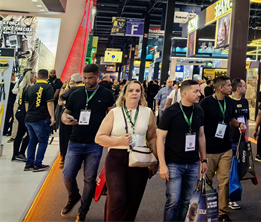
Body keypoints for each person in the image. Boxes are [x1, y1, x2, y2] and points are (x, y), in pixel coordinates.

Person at [95, 80, 158, 221]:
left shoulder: (148, 112)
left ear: (141, 94)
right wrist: (119, 141)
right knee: (117, 198)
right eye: (131, 90)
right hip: (116, 158)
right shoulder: (115, 113)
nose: (134, 93)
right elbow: (99, 138)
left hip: (139, 160)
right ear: (124, 94)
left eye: (138, 91)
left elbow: (152, 138)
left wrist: (156, 160)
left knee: (132, 201)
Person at [61, 64, 115, 222]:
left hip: (95, 143)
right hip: (75, 141)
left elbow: (112, 115)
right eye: (84, 78)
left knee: (89, 179)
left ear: (98, 76)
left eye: (90, 78)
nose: (87, 81)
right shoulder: (76, 94)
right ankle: (73, 196)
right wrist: (65, 120)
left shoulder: (106, 94)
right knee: (67, 175)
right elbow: (65, 113)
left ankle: (83, 210)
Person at [157, 80, 207, 222]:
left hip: (193, 162)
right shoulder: (171, 112)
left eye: (199, 91)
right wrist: (162, 165)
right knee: (173, 201)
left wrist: (204, 159)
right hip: (174, 163)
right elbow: (160, 138)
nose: (199, 94)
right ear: (184, 93)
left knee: (187, 201)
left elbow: (201, 135)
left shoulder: (199, 110)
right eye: (195, 91)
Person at [200, 76, 244, 222]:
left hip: (225, 148)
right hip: (209, 150)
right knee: (206, 181)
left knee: (224, 182)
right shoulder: (206, 103)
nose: (231, 87)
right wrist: (201, 152)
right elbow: (200, 126)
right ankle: (204, 210)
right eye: (229, 85)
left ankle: (222, 213)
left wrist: (238, 124)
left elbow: (231, 119)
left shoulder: (229, 102)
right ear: (220, 88)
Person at [24, 68, 55, 172]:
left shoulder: (30, 87)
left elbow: (26, 104)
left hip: (29, 118)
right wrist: (52, 117)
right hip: (41, 118)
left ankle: (29, 164)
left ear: (37, 76)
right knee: (42, 141)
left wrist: (29, 114)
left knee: (32, 140)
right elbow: (50, 103)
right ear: (47, 77)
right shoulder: (48, 87)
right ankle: (37, 164)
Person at [229, 78, 250, 210]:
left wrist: (247, 137)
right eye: (244, 86)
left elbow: (246, 119)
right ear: (238, 88)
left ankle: (231, 197)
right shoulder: (229, 101)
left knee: (239, 169)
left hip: (242, 140)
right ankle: (232, 198)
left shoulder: (245, 101)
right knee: (232, 170)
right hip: (231, 140)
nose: (246, 88)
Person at [59, 73, 83, 167]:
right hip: (82, 117)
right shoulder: (88, 89)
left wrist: (63, 89)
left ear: (72, 81)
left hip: (69, 116)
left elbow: (61, 98)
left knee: (65, 137)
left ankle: (64, 157)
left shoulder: (73, 90)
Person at [11, 71, 36, 162]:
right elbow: (27, 103)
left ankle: (16, 154)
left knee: (20, 133)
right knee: (29, 133)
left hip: (20, 111)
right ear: (31, 78)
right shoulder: (29, 88)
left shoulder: (23, 87)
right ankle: (20, 153)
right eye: (35, 77)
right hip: (24, 113)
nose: (36, 78)